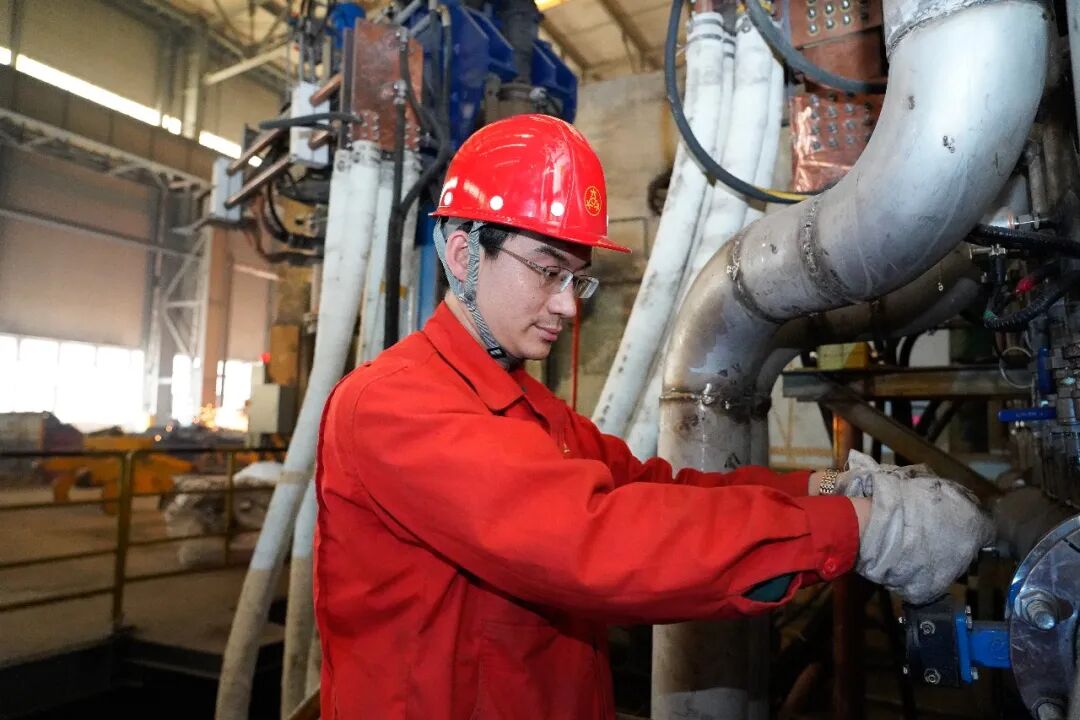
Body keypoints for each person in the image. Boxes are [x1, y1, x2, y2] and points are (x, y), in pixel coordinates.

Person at [313, 114, 992, 719]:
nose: (568, 305)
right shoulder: (394, 405)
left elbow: (656, 490)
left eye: (576, 278)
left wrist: (823, 491)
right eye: (547, 270)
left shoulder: (530, 409)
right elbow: (593, 541)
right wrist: (855, 529)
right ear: (465, 255)